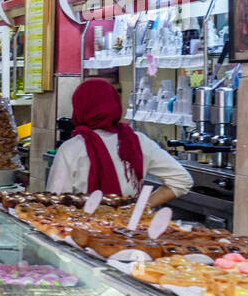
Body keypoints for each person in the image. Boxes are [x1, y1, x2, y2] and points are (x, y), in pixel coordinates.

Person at [47, 78, 192, 205]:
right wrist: (138, 209)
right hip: (126, 232)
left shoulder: (72, 148)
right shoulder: (138, 141)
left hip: (79, 232)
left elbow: (55, 201)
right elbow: (182, 180)